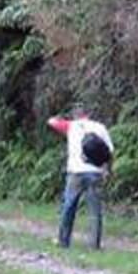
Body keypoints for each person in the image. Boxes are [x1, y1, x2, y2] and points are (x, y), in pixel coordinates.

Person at [48, 107, 113, 250]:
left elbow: (51, 122)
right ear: (88, 114)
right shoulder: (100, 127)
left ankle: (63, 241)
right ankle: (94, 244)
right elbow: (109, 151)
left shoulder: (71, 125)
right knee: (95, 210)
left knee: (69, 206)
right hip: (96, 172)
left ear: (74, 116)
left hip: (75, 172)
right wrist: (107, 170)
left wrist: (59, 116)